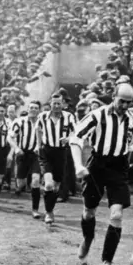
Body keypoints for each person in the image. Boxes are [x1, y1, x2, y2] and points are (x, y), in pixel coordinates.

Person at [69, 83, 133, 265]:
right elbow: (75, 139)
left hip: (118, 168)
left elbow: (130, 145)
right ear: (113, 96)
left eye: (129, 103)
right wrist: (78, 165)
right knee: (89, 212)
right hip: (97, 166)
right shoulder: (96, 116)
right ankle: (88, 238)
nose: (125, 106)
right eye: (121, 101)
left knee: (116, 215)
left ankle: (106, 261)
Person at [35, 94, 76, 225]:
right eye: (54, 103)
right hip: (46, 152)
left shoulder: (69, 116)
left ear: (63, 104)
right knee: (48, 184)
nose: (57, 106)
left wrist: (69, 138)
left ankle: (50, 207)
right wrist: (38, 144)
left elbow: (76, 131)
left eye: (59, 103)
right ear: (50, 104)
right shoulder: (42, 116)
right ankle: (49, 212)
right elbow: (38, 130)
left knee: (56, 186)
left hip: (61, 152)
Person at [11, 100, 42, 219]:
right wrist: (16, 148)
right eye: (31, 107)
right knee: (21, 183)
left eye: (36, 108)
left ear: (39, 110)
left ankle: (35, 209)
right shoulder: (19, 122)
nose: (33, 110)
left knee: (35, 181)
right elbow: (10, 137)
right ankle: (20, 186)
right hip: (22, 153)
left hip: (35, 154)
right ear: (28, 109)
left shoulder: (42, 122)